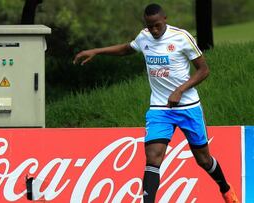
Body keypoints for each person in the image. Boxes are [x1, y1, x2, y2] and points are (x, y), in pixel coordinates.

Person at [73, 3, 239, 203]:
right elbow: (127, 49)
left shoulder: (182, 37)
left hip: (188, 107)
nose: (153, 30)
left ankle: (225, 189)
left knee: (203, 160)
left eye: (157, 25)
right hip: (160, 108)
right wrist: (97, 51)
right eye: (149, 26)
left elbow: (204, 70)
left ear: (165, 19)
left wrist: (179, 90)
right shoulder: (144, 37)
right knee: (153, 158)